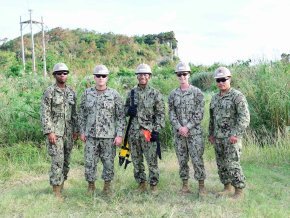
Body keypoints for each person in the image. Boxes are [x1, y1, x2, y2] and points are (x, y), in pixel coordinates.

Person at [79, 65, 125, 195]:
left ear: (107, 78)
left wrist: (119, 135)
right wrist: (82, 131)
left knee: (108, 162)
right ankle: (91, 186)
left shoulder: (114, 94)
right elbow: (81, 114)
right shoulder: (87, 93)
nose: (100, 78)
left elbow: (120, 116)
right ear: (94, 77)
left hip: (109, 136)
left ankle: (107, 187)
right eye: (98, 76)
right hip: (91, 136)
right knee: (89, 162)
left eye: (103, 76)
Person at [208, 66, 250, 199]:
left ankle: (239, 191)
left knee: (232, 164)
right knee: (221, 164)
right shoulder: (215, 98)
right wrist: (211, 134)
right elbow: (212, 118)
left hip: (231, 138)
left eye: (223, 79)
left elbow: (244, 117)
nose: (221, 83)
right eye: (218, 80)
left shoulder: (237, 96)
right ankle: (227, 187)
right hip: (218, 138)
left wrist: (236, 134)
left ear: (229, 79)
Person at [124, 63, 165, 194]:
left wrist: (156, 130)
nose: (142, 76)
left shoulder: (155, 94)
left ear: (149, 76)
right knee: (136, 160)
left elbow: (160, 114)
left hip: (148, 132)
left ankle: (153, 185)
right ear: (137, 76)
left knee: (151, 160)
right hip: (133, 132)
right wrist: (128, 110)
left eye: (145, 74)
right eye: (140, 74)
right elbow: (124, 109)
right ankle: (141, 183)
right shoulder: (131, 93)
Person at [41, 63, 78, 200]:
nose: (62, 75)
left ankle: (62, 186)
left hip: (68, 132)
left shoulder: (71, 92)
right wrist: (49, 131)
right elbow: (45, 113)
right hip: (55, 133)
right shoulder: (49, 92)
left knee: (66, 161)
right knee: (57, 161)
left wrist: (76, 130)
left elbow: (74, 113)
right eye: (59, 73)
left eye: (65, 73)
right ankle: (56, 191)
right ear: (55, 75)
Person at [168, 62, 206, 196]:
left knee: (197, 159)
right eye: (179, 74)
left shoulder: (197, 93)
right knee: (182, 160)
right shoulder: (173, 94)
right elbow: (171, 113)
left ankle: (201, 186)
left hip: (194, 133)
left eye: (184, 74)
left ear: (189, 75)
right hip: (179, 135)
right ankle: (185, 186)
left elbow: (199, 113)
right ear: (177, 76)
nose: (182, 76)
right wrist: (179, 128)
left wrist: (187, 127)